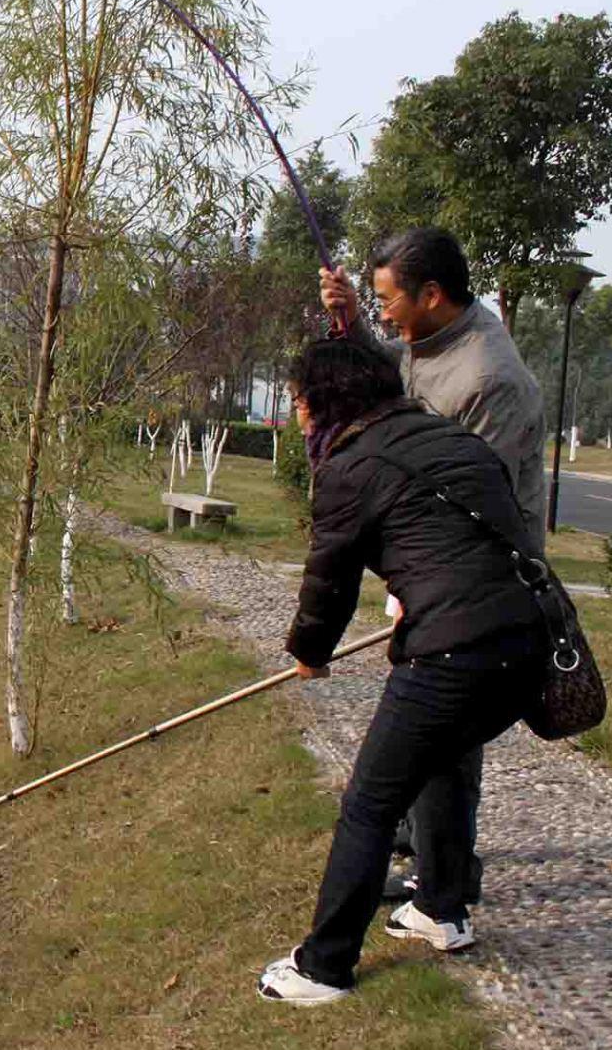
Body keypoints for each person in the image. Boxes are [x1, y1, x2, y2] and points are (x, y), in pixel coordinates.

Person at [257, 339, 545, 1006]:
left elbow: (328, 581)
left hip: (453, 652)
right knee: (441, 760)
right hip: (526, 642)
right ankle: (441, 909)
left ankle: (324, 966)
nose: (296, 413)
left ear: (325, 401)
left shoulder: (349, 466)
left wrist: (310, 653)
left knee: (370, 803)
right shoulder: (452, 439)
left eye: (297, 400)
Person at [319, 226, 544, 917]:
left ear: (433, 294)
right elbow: (394, 370)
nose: (385, 314)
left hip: (477, 573)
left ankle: (446, 881)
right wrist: (353, 322)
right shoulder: (432, 339)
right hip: (431, 562)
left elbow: (477, 496)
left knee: (447, 721)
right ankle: (431, 851)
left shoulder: (489, 378)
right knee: (431, 721)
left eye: (388, 300)